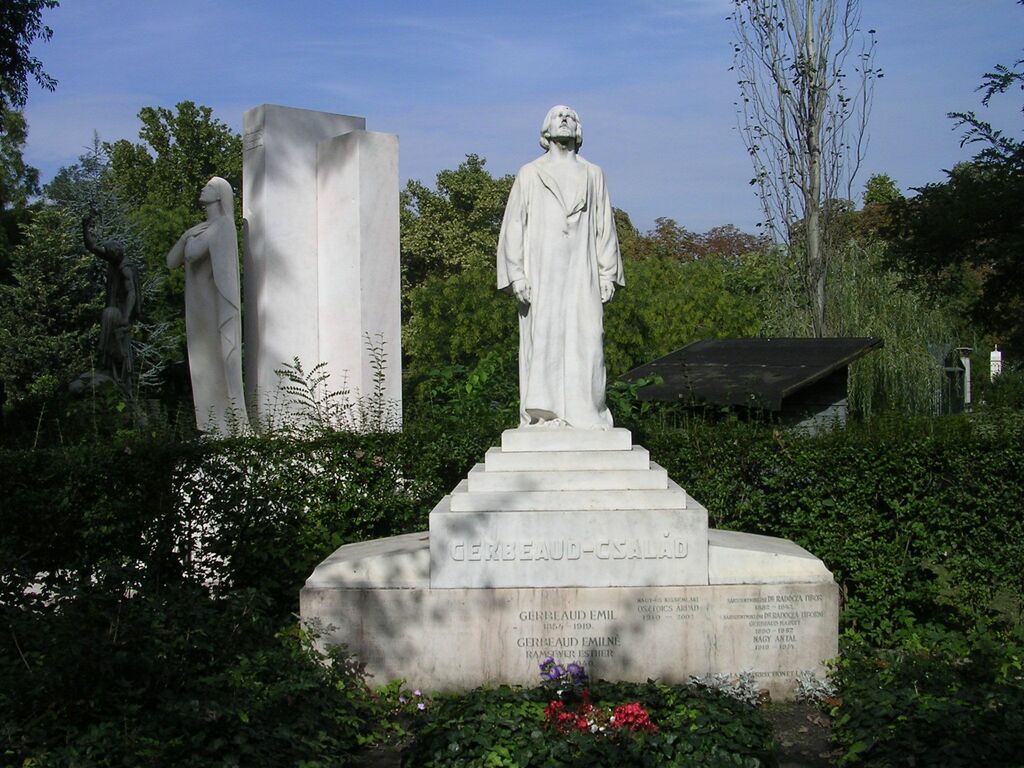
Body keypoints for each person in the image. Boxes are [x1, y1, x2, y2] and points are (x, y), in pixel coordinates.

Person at [497, 105, 624, 429]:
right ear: (546, 129)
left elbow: (604, 227)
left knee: (589, 338)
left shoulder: (593, 174)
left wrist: (608, 273)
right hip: (543, 271)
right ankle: (544, 413)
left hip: (583, 271)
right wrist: (517, 275)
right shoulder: (530, 173)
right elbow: (514, 226)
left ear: (578, 129)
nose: (565, 119)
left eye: (571, 116)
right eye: (558, 116)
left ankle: (588, 413)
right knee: (545, 337)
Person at [167, 176, 248, 433]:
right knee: (202, 363)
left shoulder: (223, 225)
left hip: (214, 307)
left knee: (219, 360)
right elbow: (171, 261)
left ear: (220, 195)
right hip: (197, 308)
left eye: (210, 186)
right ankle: (213, 424)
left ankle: (231, 424)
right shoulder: (200, 229)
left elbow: (191, 254)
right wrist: (185, 236)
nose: (203, 188)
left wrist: (189, 239)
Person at [82, 212, 140, 384]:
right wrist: (85, 228)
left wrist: (126, 317)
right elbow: (92, 247)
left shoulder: (125, 268)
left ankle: (109, 363)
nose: (106, 256)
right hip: (113, 307)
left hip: (121, 311)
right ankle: (105, 365)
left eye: (108, 254)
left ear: (115, 254)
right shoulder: (113, 259)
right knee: (108, 317)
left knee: (109, 316)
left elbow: (132, 293)